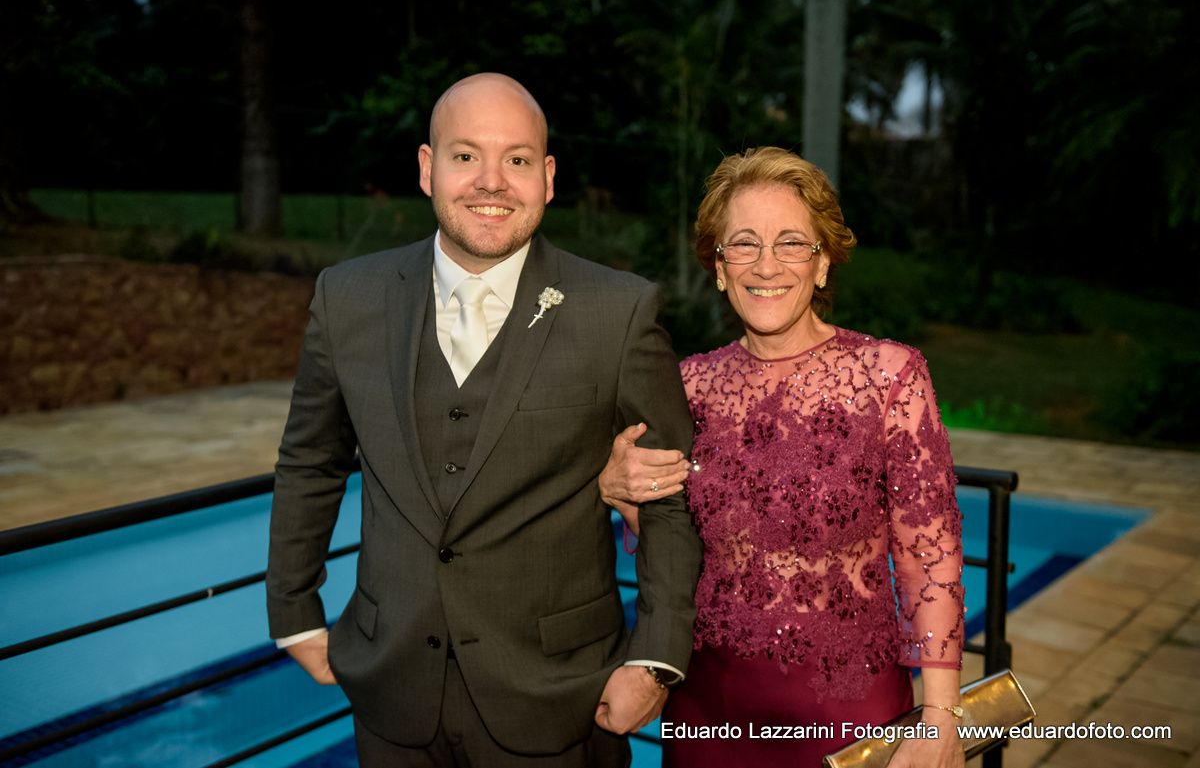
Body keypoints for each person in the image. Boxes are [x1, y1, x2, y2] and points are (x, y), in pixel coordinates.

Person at [266, 72, 703, 767]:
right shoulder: (345, 298)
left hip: (561, 698)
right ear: (427, 168)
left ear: (548, 178)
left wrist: (653, 659)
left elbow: (670, 496)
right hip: (391, 690)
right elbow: (310, 462)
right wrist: (293, 612)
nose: (491, 181)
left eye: (517, 159)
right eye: (466, 155)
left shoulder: (618, 311)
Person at [600, 147, 965, 767]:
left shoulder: (889, 378)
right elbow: (674, 543)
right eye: (744, 244)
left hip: (849, 723)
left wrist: (940, 715)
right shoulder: (686, 388)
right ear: (720, 268)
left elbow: (928, 555)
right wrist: (616, 487)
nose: (766, 264)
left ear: (821, 263)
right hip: (708, 718)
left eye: (791, 243)